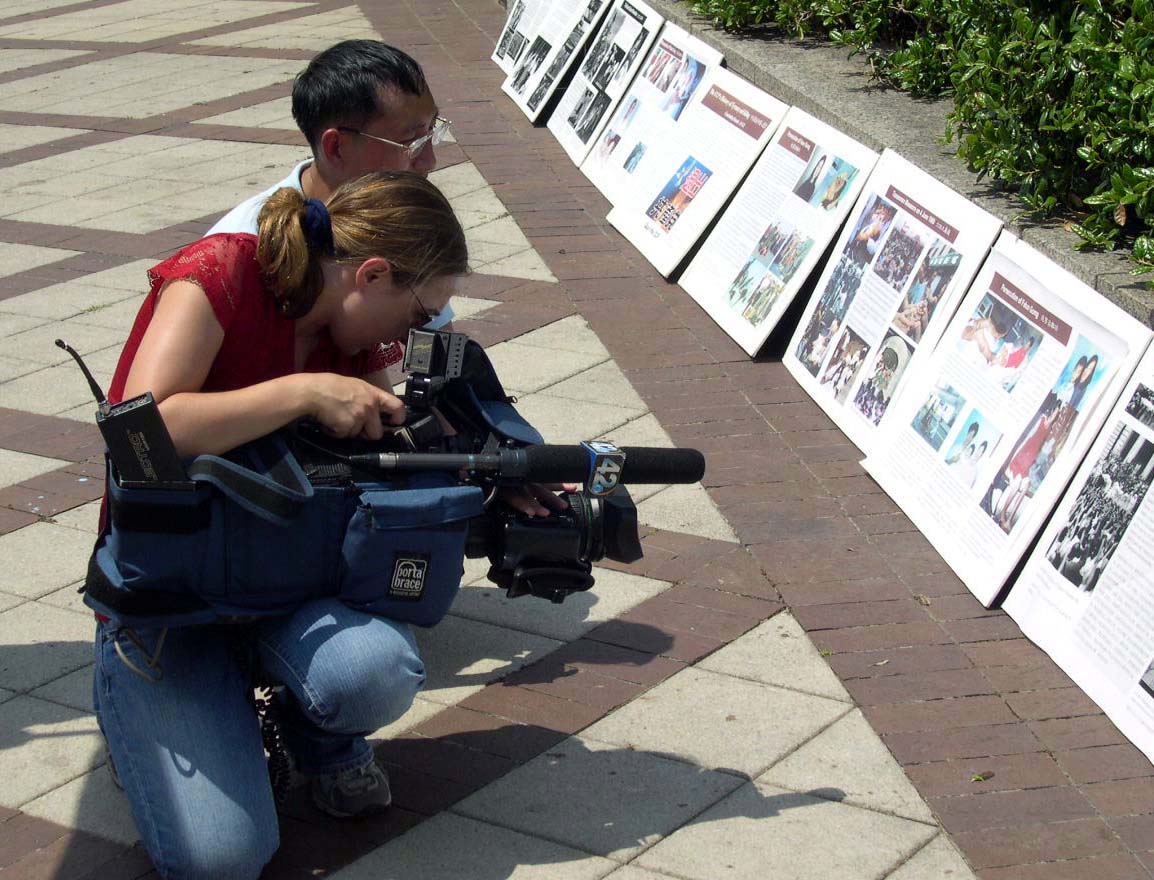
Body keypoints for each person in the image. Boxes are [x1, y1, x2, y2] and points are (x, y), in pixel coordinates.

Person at [95, 173, 564, 880]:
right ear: (370, 275)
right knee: (222, 862)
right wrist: (301, 392)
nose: (412, 336)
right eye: (417, 314)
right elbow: (142, 428)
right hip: (171, 599)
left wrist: (500, 478)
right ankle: (141, 706)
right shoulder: (217, 274)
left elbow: (393, 465)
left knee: (376, 673)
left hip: (287, 582)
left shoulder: (356, 336)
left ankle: (314, 736)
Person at [208, 40, 455, 331]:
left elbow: (433, 338)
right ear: (336, 147)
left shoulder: (402, 215)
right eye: (411, 143)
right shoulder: (238, 257)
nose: (429, 161)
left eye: (432, 130)